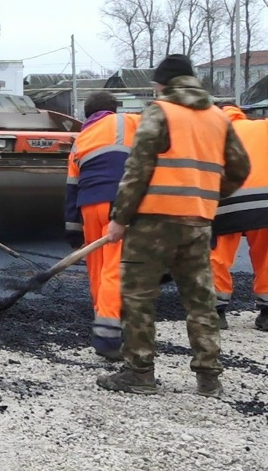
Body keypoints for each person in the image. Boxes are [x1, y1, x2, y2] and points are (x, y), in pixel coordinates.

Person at [98, 54, 250, 399]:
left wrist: (120, 218)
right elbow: (240, 168)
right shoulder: (218, 117)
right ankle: (209, 378)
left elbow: (137, 169)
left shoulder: (160, 111)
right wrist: (209, 193)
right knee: (200, 300)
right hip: (197, 220)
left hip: (152, 221)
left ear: (162, 83)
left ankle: (139, 373)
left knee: (138, 296)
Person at [64, 91, 140, 360]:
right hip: (118, 202)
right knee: (115, 265)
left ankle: (102, 318)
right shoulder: (130, 122)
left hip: (89, 206)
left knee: (97, 266)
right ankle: (109, 335)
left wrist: (73, 230)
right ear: (114, 109)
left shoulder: (81, 139)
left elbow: (72, 186)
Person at [210, 104, 268, 332]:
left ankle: (216, 311)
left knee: (218, 253)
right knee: (266, 255)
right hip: (266, 199)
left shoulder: (215, 130)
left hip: (227, 198)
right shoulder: (262, 127)